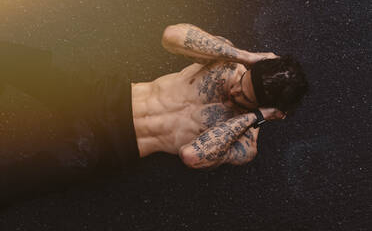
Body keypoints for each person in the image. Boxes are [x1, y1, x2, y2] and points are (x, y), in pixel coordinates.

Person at [0, 23, 308, 205]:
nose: (235, 92)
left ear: (270, 112)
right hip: (107, 95)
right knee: (22, 61)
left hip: (110, 146)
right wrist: (245, 56)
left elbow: (192, 156)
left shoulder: (245, 142)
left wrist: (256, 117)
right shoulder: (228, 62)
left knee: (23, 179)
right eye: (243, 84)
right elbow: (171, 36)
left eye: (246, 99)